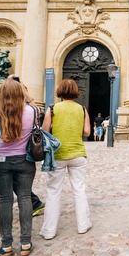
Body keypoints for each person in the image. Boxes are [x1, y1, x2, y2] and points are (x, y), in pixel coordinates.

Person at [39, 78, 92, 240]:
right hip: (78, 154)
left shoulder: (53, 109)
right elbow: (87, 132)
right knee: (79, 190)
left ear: (60, 91)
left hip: (58, 156)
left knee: (53, 192)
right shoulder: (82, 109)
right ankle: (83, 225)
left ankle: (49, 231)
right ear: (76, 92)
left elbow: (44, 131)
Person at [0, 79, 37, 256]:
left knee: (5, 201)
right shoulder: (31, 111)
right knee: (25, 198)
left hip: (1, 159)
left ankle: (6, 245)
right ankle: (25, 243)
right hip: (24, 160)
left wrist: (4, 88)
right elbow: (33, 104)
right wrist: (24, 91)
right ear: (21, 94)